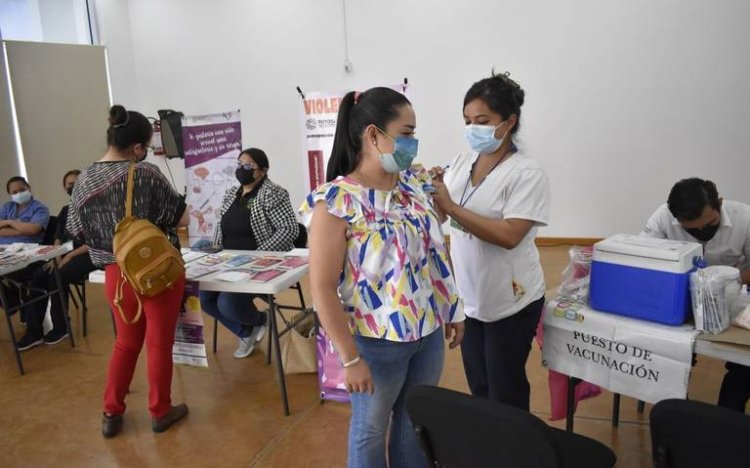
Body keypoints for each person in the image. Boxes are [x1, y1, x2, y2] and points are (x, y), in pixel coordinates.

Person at [300, 87, 464, 468]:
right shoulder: (338, 201)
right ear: (374, 135)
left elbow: (435, 253)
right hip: (377, 344)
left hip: (426, 335)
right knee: (370, 430)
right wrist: (350, 358)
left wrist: (453, 310)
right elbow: (322, 288)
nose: (413, 143)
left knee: (414, 423)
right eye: (406, 133)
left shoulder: (414, 186)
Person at [67, 105, 190, 438]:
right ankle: (160, 411)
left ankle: (111, 412)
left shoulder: (84, 179)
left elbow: (75, 230)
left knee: (125, 343)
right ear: (138, 147)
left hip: (114, 275)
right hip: (154, 271)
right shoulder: (145, 173)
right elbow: (181, 219)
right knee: (158, 344)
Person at [430, 72, 551, 411]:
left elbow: (511, 235)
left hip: (511, 299)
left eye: (482, 121)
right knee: (480, 385)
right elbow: (443, 215)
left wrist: (451, 206)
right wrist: (431, 196)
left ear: (509, 121)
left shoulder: (526, 173)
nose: (472, 129)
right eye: (467, 121)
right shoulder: (461, 162)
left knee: (505, 388)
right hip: (470, 297)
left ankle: (515, 450)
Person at [641, 177, 750, 412]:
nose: (702, 231)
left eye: (709, 223)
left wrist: (729, 280)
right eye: (692, 229)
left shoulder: (745, 217)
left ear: (719, 203)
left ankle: (728, 417)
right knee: (670, 354)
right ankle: (676, 412)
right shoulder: (663, 218)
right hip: (676, 297)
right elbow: (646, 261)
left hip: (730, 296)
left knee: (745, 358)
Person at [198, 148, 298, 358]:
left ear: (262, 170)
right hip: (227, 261)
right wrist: (213, 250)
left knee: (227, 303)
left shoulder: (274, 193)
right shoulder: (230, 194)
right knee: (205, 297)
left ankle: (261, 320)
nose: (241, 169)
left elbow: (289, 229)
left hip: (258, 263)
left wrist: (258, 255)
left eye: (248, 165)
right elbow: (221, 227)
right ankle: (247, 331)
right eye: (239, 163)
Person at [14, 170, 98, 350]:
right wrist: (55, 256)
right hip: (64, 253)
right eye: (68, 184)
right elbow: (58, 238)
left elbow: (94, 242)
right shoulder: (66, 210)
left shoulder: (94, 208)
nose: (72, 186)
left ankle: (61, 327)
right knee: (39, 276)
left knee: (57, 277)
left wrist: (67, 256)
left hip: (88, 253)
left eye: (75, 182)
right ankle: (34, 332)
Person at [0, 176, 49, 244]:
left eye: (22, 190)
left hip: (27, 248)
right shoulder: (7, 207)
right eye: (15, 192)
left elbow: (33, 230)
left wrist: (10, 222)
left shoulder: (40, 208)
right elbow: (29, 231)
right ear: (10, 194)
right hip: (3, 248)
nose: (19, 194)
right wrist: (24, 230)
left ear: (29, 188)